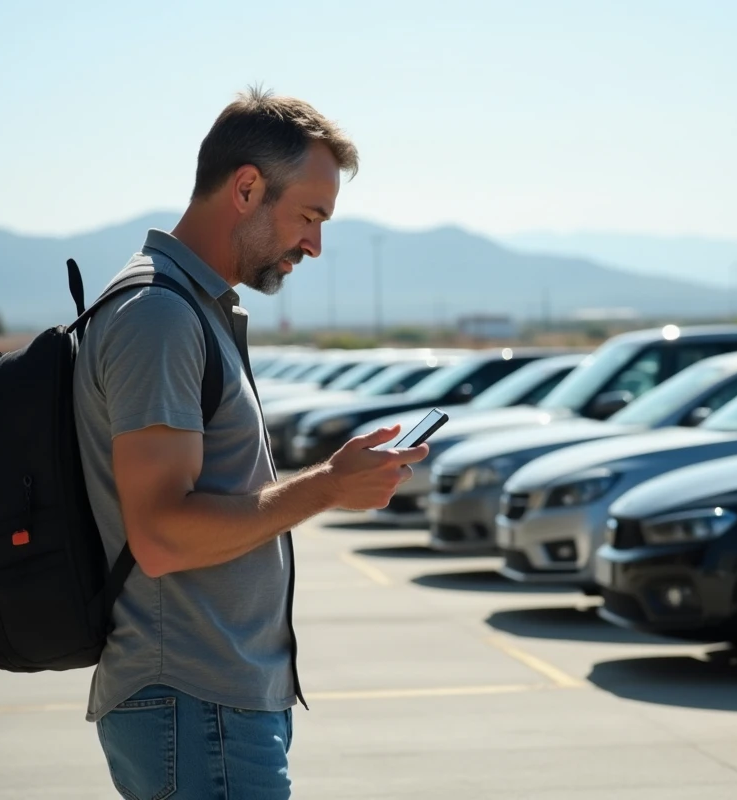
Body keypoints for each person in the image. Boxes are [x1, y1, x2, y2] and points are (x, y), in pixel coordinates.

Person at [73, 86, 427, 800]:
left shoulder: (188, 308)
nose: (315, 244)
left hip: (214, 704)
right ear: (246, 188)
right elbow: (163, 536)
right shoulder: (158, 317)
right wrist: (326, 487)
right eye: (310, 216)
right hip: (196, 702)